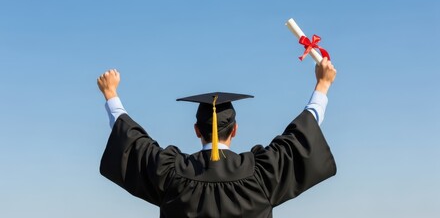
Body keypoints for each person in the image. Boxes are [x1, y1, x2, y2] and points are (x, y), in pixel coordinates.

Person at [97, 58, 337, 218]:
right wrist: (322, 85)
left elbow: (132, 141)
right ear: (235, 130)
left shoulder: (169, 174)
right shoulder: (262, 174)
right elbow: (300, 137)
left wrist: (111, 94)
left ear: (197, 130)